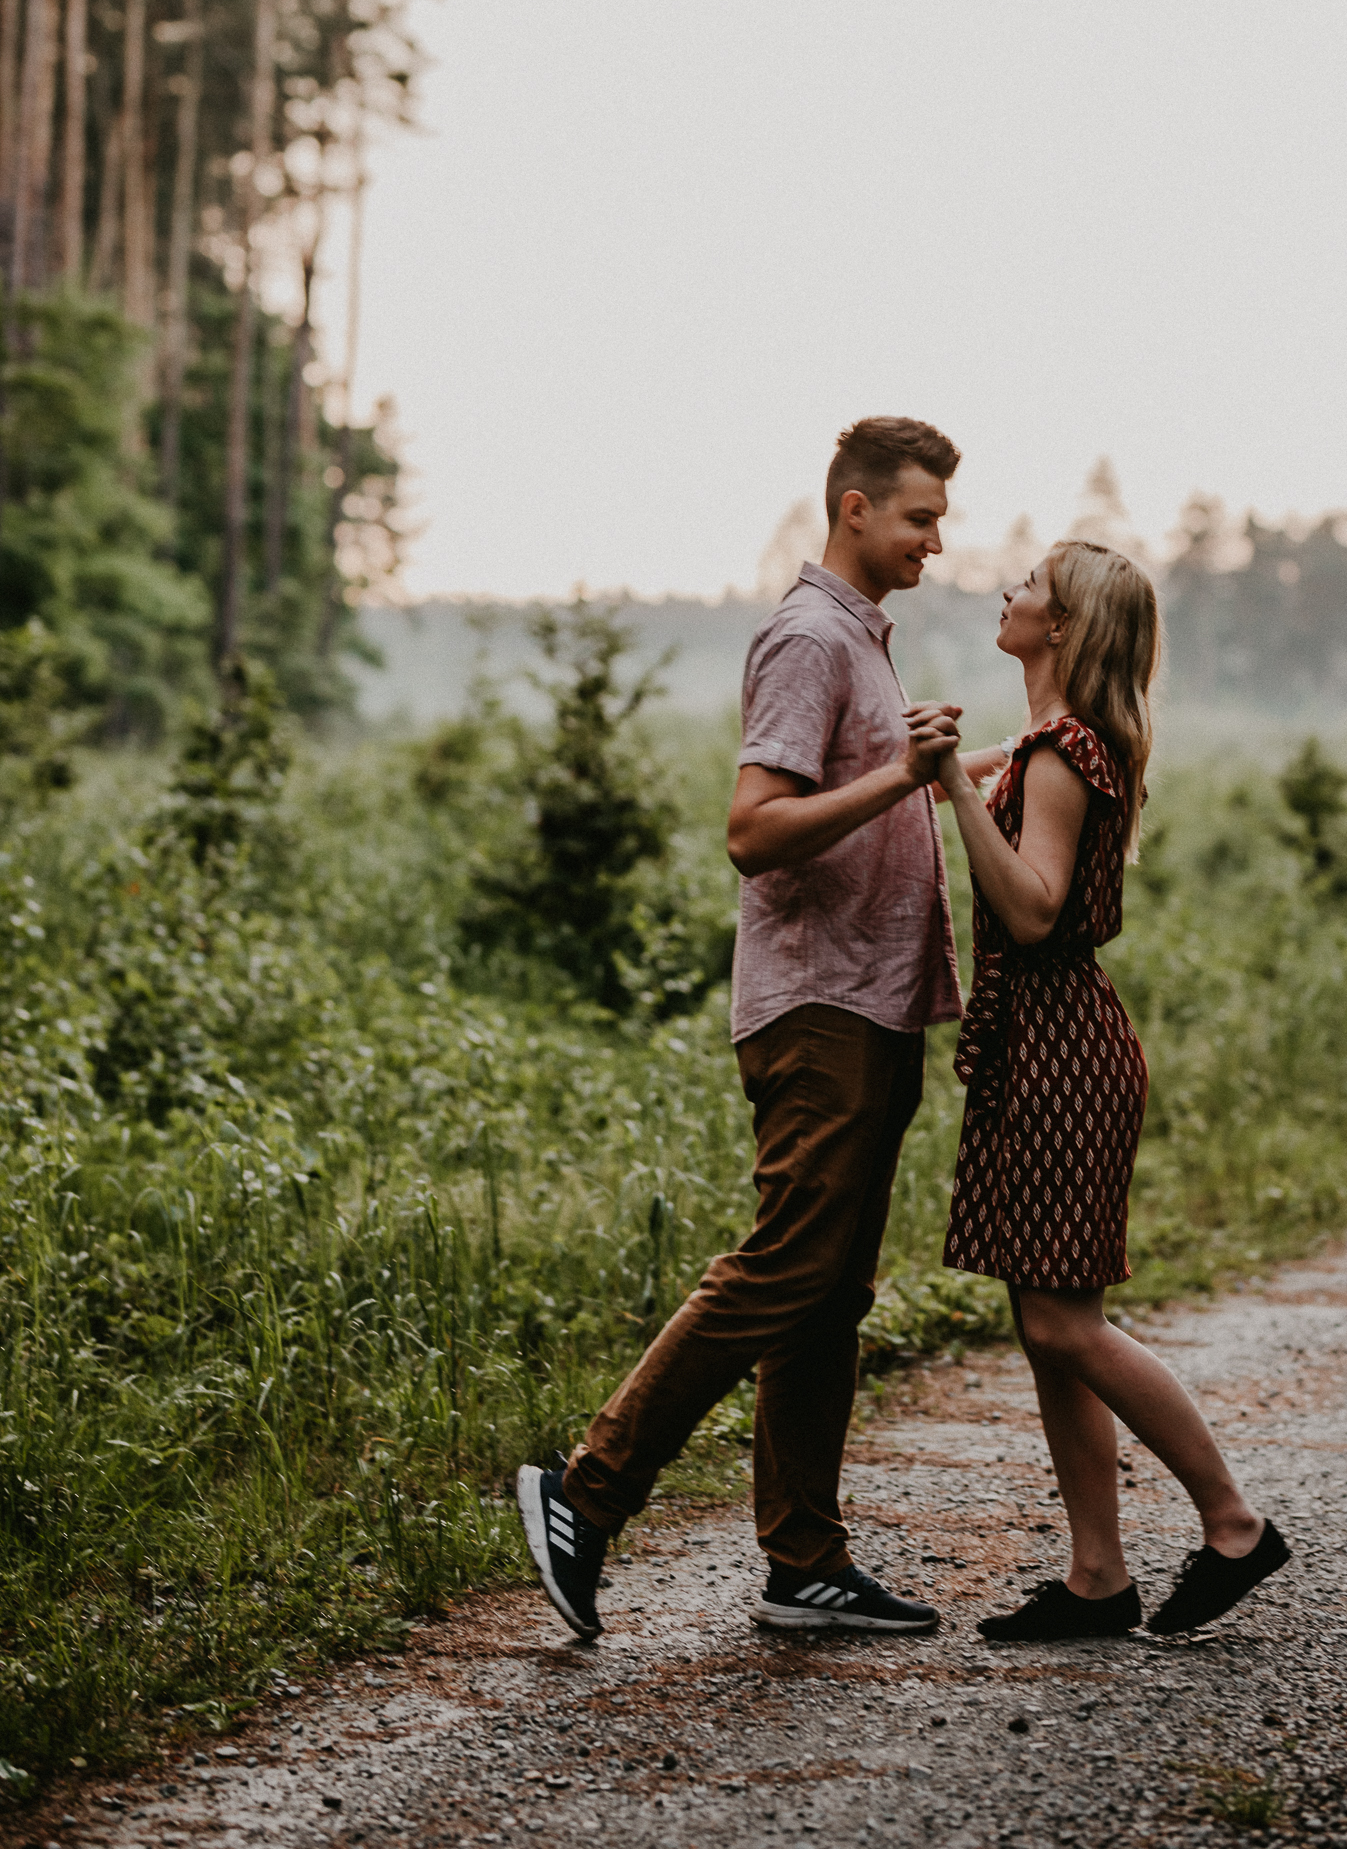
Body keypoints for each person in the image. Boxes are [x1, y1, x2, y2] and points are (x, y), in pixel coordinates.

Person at [518, 415, 1002, 1640]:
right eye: (920, 518)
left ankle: (805, 1560)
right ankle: (586, 1489)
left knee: (831, 1290)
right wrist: (899, 777)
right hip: (820, 1002)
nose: (936, 542)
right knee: (788, 1262)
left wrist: (963, 770)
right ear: (854, 508)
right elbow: (752, 829)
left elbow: (868, 790)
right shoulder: (808, 636)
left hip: (874, 1000)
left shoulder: (861, 637)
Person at [922, 540, 1288, 1641]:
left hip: (1060, 1047)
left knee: (1064, 1321)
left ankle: (1232, 1523)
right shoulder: (1056, 741)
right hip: (1047, 1042)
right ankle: (1097, 1575)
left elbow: (1033, 911)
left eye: (1030, 584)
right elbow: (993, 764)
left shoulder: (1061, 753)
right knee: (1045, 1320)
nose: (1009, 590)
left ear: (1065, 625)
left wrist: (952, 784)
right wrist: (942, 762)